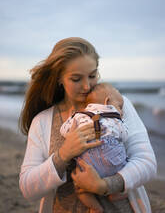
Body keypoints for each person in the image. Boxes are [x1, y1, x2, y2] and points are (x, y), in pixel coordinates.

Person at [19, 37, 157, 213]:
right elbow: (27, 189)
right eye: (76, 79)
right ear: (59, 79)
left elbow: (147, 161)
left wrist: (105, 185)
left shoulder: (118, 106)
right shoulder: (43, 121)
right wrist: (63, 154)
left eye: (92, 75)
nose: (87, 86)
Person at [60, 82, 129, 212]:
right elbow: (124, 136)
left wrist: (73, 130)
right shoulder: (115, 117)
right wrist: (120, 122)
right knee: (125, 163)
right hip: (114, 164)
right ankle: (116, 194)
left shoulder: (79, 115)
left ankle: (95, 208)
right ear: (107, 101)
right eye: (120, 106)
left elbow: (63, 131)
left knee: (80, 189)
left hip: (90, 166)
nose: (121, 111)